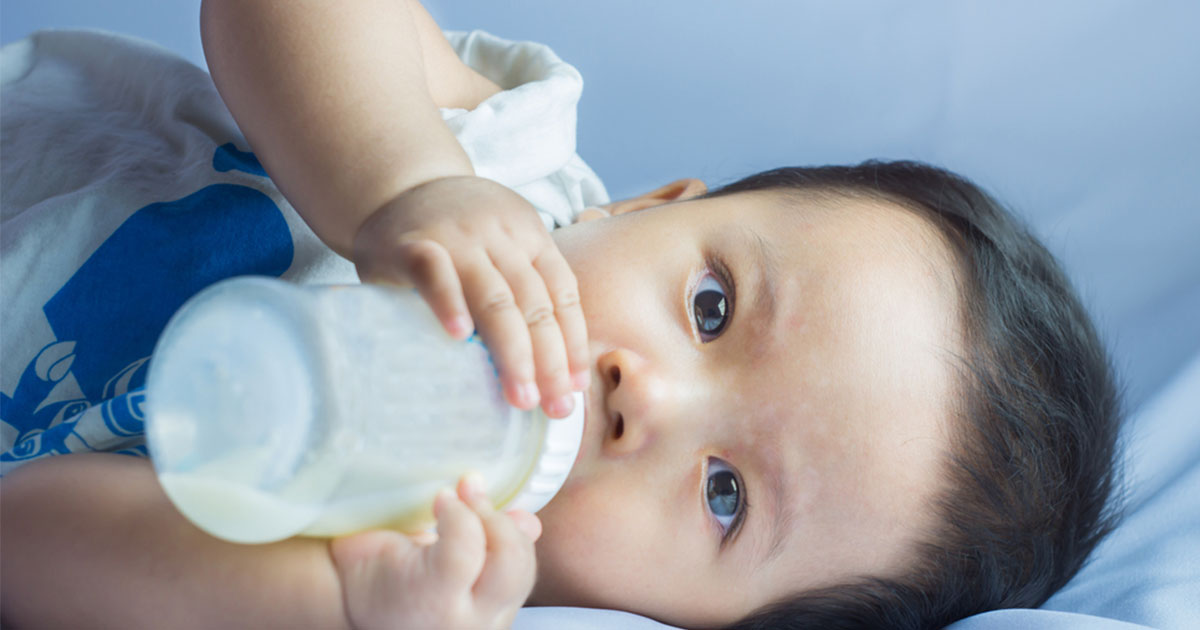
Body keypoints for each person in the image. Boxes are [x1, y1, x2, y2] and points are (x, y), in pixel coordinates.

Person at [0, 1, 1122, 629]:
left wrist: (330, 601)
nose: (648, 396)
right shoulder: (508, 167)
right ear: (647, 205)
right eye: (713, 305)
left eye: (726, 496)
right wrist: (398, 183)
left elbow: (24, 533)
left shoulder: (410, 560)